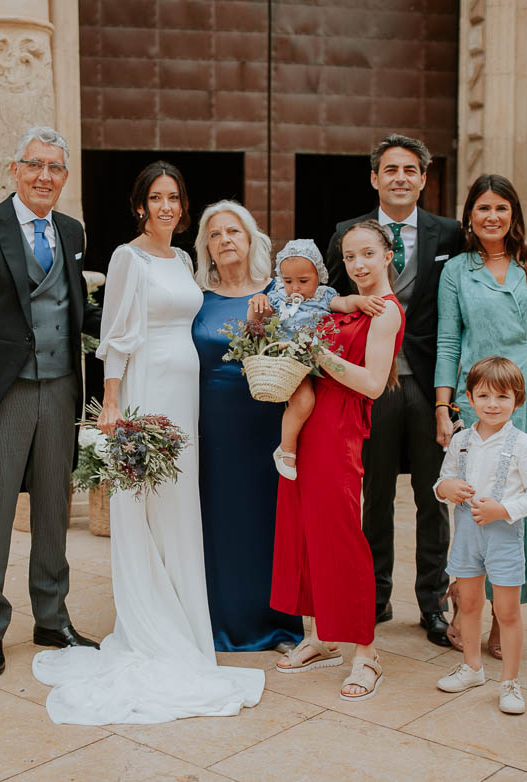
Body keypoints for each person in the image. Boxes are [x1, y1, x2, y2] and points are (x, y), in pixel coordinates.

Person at [32, 162, 265, 724]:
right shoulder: (126, 257)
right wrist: (112, 404)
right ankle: (151, 626)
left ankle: (186, 622)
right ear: (140, 205)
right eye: (156, 198)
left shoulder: (185, 260)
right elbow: (114, 337)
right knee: (145, 506)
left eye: (174, 198)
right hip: (147, 389)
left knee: (180, 508)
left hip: (189, 396)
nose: (166, 207)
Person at [0, 126, 101, 678]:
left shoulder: (73, 232)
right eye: (34, 165)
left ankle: (52, 617)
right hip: (1, 394)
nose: (43, 176)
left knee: (55, 507)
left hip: (59, 388)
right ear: (14, 170)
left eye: (55, 167)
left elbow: (77, 310)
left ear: (64, 176)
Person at [326, 134, 463, 647]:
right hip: (370, 385)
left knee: (433, 497)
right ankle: (376, 595)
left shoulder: (449, 234)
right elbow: (323, 294)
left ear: (424, 178)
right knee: (375, 494)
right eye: (390, 169)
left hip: (429, 386)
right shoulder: (348, 233)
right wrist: (344, 304)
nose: (400, 177)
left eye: (411, 169)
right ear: (374, 178)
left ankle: (432, 604)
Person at [436, 173, 527, 657]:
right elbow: (449, 340)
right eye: (482, 208)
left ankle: (504, 616)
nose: (492, 216)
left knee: (522, 506)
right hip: (476, 400)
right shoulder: (457, 270)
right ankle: (464, 598)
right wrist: (442, 405)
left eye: (501, 207)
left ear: (513, 213)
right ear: (469, 218)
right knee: (477, 503)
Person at [272, 219, 404, 701]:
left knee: (343, 538)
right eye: (350, 257)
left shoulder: (386, 312)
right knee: (304, 530)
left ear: (387, 255)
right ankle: (320, 637)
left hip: (341, 431)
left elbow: (372, 383)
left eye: (367, 254)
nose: (359, 264)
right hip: (308, 426)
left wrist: (317, 353)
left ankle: (367, 654)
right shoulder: (338, 304)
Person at [190, 201, 304, 652]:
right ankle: (222, 622)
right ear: (207, 248)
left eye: (233, 231)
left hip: (267, 422)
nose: (225, 241)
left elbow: (302, 346)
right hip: (212, 424)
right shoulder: (195, 297)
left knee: (269, 519)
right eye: (215, 235)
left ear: (252, 238)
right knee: (220, 520)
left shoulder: (279, 292)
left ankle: (276, 623)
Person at [433, 357, 527, 715]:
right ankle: (472, 667)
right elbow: (441, 481)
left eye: (502, 397)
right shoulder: (461, 440)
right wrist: (445, 488)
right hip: (467, 534)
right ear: (469, 397)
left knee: (507, 610)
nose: (493, 405)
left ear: (518, 400)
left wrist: (504, 509)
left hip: (503, 536)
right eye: (484, 396)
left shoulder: (524, 445)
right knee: (468, 604)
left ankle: (510, 682)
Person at [247, 240, 384, 480]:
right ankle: (286, 449)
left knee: (314, 403)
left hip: (315, 360)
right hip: (289, 360)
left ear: (318, 277)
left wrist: (361, 301)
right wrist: (259, 303)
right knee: (303, 401)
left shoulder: (322, 296)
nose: (295, 288)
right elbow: (262, 319)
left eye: (303, 281)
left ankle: (293, 447)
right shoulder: (279, 296)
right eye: (288, 281)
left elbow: (344, 303)